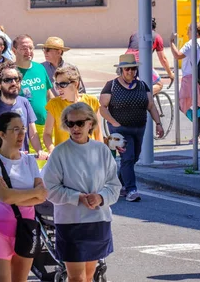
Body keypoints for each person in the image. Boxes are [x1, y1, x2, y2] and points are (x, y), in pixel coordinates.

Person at [43, 102, 121, 282]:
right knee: (76, 277)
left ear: (90, 123)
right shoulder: (60, 153)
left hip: (98, 219)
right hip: (71, 221)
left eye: (80, 123)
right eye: (70, 124)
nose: (75, 128)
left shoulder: (102, 150)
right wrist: (77, 197)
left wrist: (100, 197)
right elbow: (50, 189)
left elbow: (114, 186)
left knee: (88, 274)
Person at [0, 112, 47, 282]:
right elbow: (5, 196)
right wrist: (32, 193)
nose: (21, 134)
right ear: (2, 134)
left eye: (23, 129)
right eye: (15, 129)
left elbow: (42, 196)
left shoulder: (29, 161)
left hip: (26, 228)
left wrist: (14, 196)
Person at [99, 54, 164, 202]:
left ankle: (118, 184)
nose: (131, 72)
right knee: (127, 158)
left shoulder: (142, 85)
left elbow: (151, 106)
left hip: (139, 128)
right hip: (120, 130)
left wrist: (158, 124)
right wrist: (113, 123)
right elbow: (102, 107)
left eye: (133, 69)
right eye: (127, 69)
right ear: (121, 70)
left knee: (133, 157)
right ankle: (131, 190)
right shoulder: (112, 85)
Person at [0, 35, 53, 151]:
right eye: (24, 48)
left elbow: (49, 95)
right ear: (14, 51)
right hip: (22, 132)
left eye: (31, 48)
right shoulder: (8, 73)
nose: (28, 52)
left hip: (45, 129)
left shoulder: (40, 68)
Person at [0, 61, 44, 158]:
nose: (14, 83)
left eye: (16, 79)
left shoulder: (25, 102)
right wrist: (8, 155)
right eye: (8, 80)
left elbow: (32, 134)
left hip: (21, 163)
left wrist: (39, 151)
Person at [170, 22, 200, 144]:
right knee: (199, 106)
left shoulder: (192, 43)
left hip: (191, 78)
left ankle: (198, 135)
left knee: (182, 105)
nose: (187, 33)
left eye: (188, 30)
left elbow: (178, 55)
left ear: (194, 32)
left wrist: (171, 43)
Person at [43, 65, 102, 153]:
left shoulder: (92, 101)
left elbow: (98, 132)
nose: (58, 88)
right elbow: (47, 134)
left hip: (89, 153)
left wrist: (100, 152)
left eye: (62, 84)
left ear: (75, 84)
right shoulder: (54, 104)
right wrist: (52, 151)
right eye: (57, 84)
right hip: (65, 155)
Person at [126, 17, 175, 95]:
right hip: (140, 63)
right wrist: (170, 74)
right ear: (154, 28)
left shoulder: (134, 35)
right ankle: (140, 97)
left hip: (125, 62)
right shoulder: (157, 37)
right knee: (159, 84)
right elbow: (163, 59)